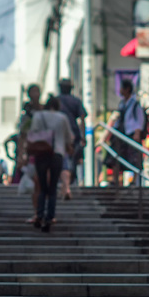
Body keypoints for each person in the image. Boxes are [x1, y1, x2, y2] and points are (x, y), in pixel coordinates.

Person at [27, 96, 74, 232]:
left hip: (41, 153)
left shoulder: (38, 115)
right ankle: (49, 217)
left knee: (42, 186)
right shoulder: (62, 117)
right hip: (57, 154)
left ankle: (39, 214)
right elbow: (69, 137)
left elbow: (33, 133)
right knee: (52, 187)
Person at [112, 79, 146, 186]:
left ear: (127, 89)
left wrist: (137, 132)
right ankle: (116, 179)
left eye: (122, 88)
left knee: (134, 157)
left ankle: (134, 180)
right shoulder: (122, 103)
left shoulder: (135, 104)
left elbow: (140, 119)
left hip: (131, 132)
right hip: (122, 133)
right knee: (117, 156)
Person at [57, 78, 87, 198]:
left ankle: (64, 185)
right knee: (73, 160)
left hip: (58, 134)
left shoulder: (56, 100)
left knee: (61, 160)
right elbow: (82, 118)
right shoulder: (76, 101)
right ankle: (70, 184)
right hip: (73, 134)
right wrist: (83, 136)